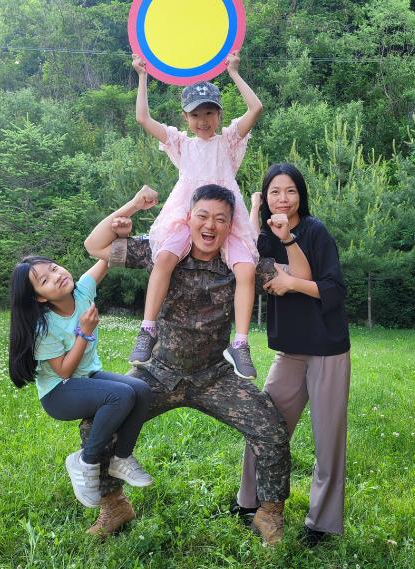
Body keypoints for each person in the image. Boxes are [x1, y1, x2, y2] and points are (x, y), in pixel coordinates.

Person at [81, 184, 312, 544]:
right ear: (188, 218)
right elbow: (94, 246)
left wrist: (290, 239)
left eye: (220, 219)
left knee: (270, 426)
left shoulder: (241, 259)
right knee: (97, 422)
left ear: (230, 224)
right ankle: (113, 506)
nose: (210, 226)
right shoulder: (164, 249)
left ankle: (270, 513)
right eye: (202, 216)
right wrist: (133, 205)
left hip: (213, 376)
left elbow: (302, 277)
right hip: (157, 373)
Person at [231, 162, 352, 547]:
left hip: (328, 349)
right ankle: (248, 502)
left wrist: (291, 281)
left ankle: (323, 523)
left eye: (291, 191)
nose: (283, 199)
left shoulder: (315, 232)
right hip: (290, 351)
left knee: (328, 440)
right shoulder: (265, 234)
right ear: (266, 198)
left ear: (301, 195)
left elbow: (333, 289)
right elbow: (248, 253)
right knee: (264, 426)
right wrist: (253, 210)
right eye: (274, 192)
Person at [129, 51, 263, 380]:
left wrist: (234, 72)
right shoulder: (182, 145)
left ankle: (241, 342)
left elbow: (256, 108)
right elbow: (143, 119)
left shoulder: (228, 142)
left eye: (209, 112)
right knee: (164, 259)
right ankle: (148, 328)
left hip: (224, 218)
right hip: (188, 216)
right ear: (185, 118)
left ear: (218, 115)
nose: (202, 120)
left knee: (246, 268)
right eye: (195, 115)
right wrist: (142, 76)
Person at [8, 248, 155, 535]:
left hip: (87, 377)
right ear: (40, 297)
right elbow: (63, 371)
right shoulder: (43, 326)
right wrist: (84, 332)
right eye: (45, 280)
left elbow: (108, 255)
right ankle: (84, 461)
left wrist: (133, 208)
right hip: (59, 394)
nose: (56, 275)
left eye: (53, 267)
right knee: (121, 395)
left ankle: (121, 458)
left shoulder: (82, 291)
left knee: (141, 389)